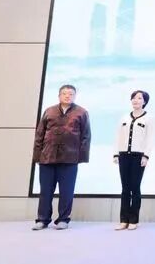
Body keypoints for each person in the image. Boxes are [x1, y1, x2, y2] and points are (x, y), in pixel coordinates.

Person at [31, 84, 91, 231]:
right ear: (59, 95)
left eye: (71, 94)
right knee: (45, 191)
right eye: (64, 93)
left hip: (69, 159)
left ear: (74, 96)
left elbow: (86, 136)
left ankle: (63, 219)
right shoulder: (49, 111)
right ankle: (42, 219)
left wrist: (80, 158)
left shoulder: (81, 112)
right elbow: (39, 134)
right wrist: (37, 156)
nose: (67, 96)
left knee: (66, 191)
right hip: (47, 157)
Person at [113, 90, 154, 231]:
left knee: (135, 187)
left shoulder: (149, 118)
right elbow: (118, 136)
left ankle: (133, 219)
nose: (136, 100)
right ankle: (123, 220)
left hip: (138, 156)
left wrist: (146, 156)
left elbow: (150, 139)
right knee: (125, 188)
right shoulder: (124, 117)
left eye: (139, 98)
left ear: (144, 101)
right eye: (134, 98)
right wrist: (116, 154)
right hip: (123, 155)